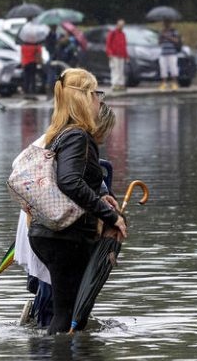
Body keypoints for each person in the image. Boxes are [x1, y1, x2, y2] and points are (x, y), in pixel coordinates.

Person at [28, 68, 127, 334]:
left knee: (70, 313)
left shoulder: (60, 133)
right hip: (64, 239)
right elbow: (69, 181)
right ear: (84, 98)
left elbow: (70, 180)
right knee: (69, 315)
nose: (99, 100)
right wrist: (110, 215)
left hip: (52, 235)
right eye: (96, 94)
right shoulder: (77, 136)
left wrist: (98, 194)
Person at [158, 19, 182, 90]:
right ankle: (164, 83)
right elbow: (159, 42)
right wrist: (161, 37)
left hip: (172, 53)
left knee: (173, 69)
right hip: (163, 53)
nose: (165, 24)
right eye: (164, 23)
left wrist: (167, 37)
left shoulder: (174, 31)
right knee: (163, 69)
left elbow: (177, 40)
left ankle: (174, 83)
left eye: (167, 23)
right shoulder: (161, 31)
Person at [105, 19, 129, 91]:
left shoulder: (123, 34)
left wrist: (126, 56)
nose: (121, 27)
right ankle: (114, 84)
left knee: (121, 70)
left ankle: (121, 84)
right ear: (117, 25)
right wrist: (109, 53)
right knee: (115, 69)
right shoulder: (112, 33)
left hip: (121, 55)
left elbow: (124, 45)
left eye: (122, 25)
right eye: (120, 25)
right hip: (114, 54)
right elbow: (108, 44)